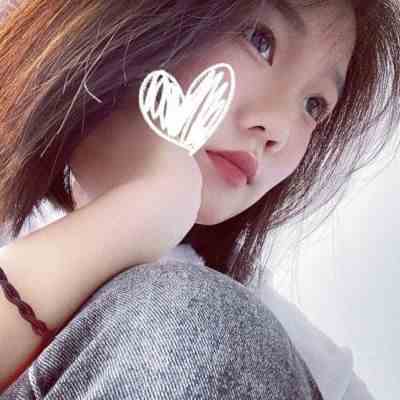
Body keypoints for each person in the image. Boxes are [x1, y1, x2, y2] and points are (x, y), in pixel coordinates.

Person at [0, 0, 399, 398]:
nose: (278, 128)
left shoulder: (270, 345)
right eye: (259, 41)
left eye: (314, 105)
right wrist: (138, 210)